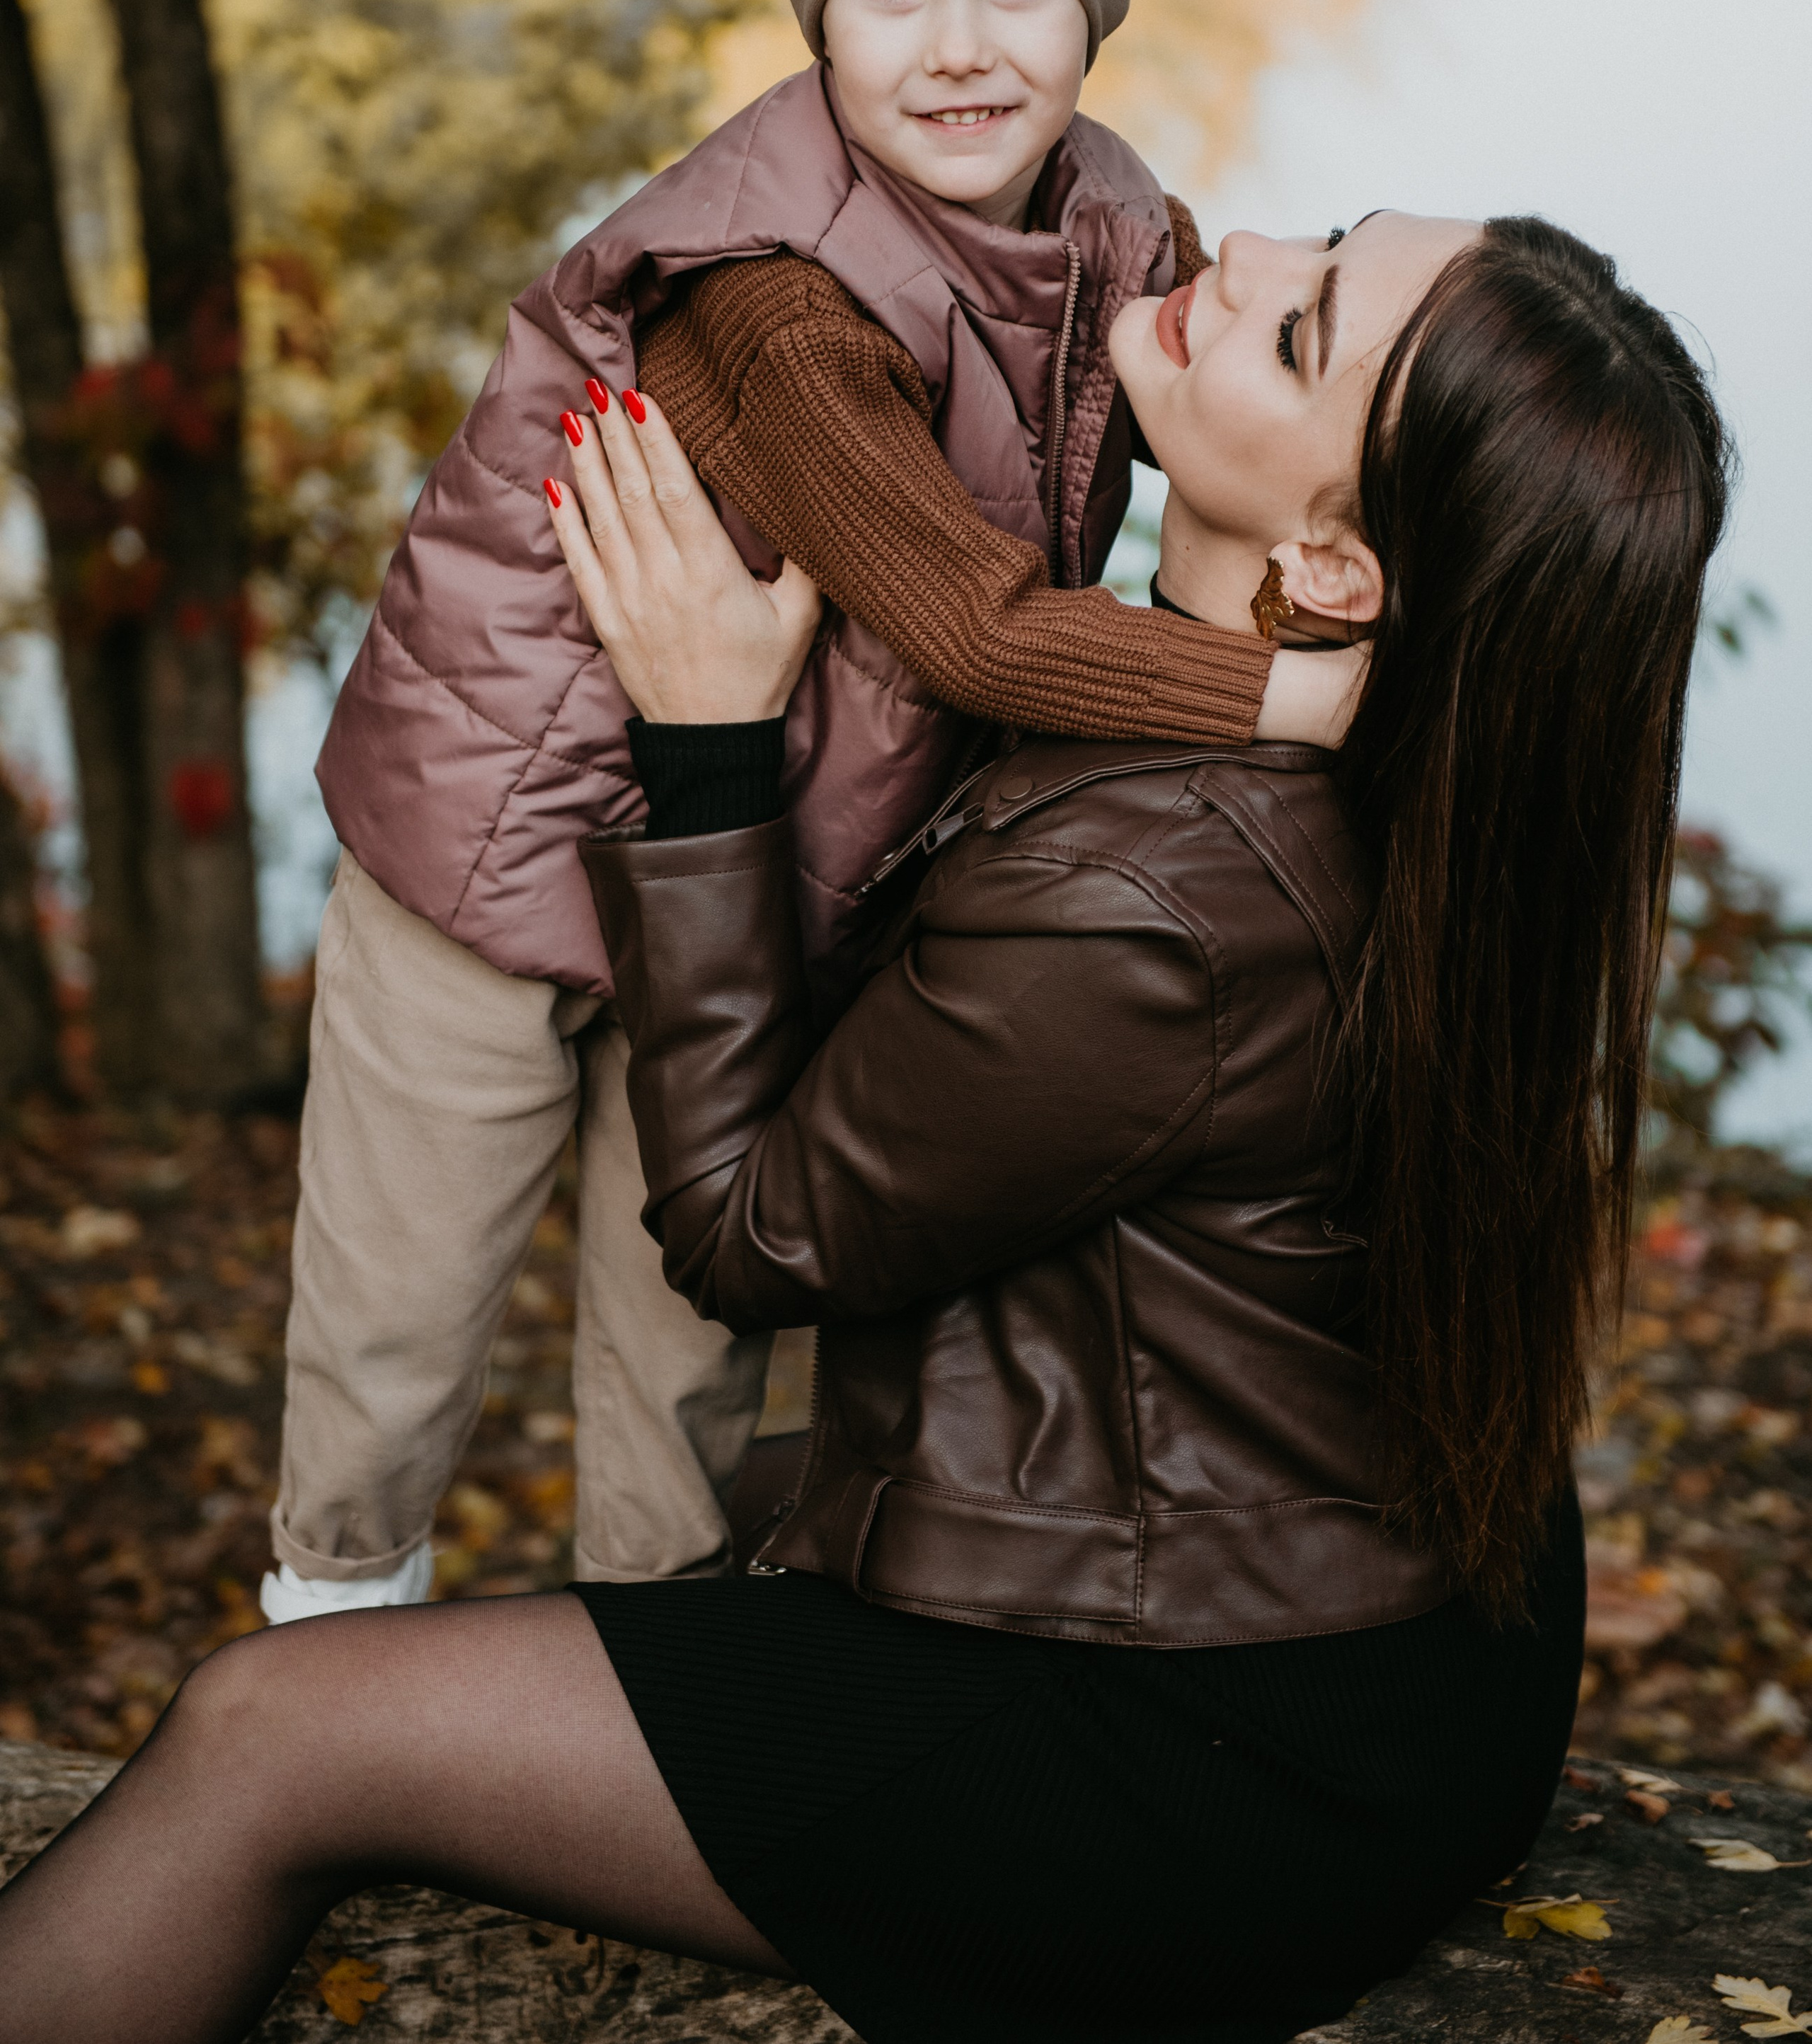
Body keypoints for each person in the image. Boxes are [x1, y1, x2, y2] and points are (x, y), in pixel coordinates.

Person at [0, 206, 1728, 2044]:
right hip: (1407, 1654)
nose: (1251, 248)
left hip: (1202, 1753)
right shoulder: (1409, 776)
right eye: (1326, 239)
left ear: (1338, 564)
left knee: (266, 1734)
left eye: (1300, 333)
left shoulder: (1170, 901)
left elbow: (754, 1232)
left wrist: (712, 744)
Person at [267, 0, 1356, 1626]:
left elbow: (1254, 449)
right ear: (818, 11)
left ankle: (652, 1693)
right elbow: (962, 622)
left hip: (738, 868)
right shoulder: (778, 299)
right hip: (489, 862)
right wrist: (1293, 691)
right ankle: (329, 1636)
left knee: (687, 1335)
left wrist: (1318, 580)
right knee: (395, 1328)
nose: (960, 49)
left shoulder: (1123, 233)